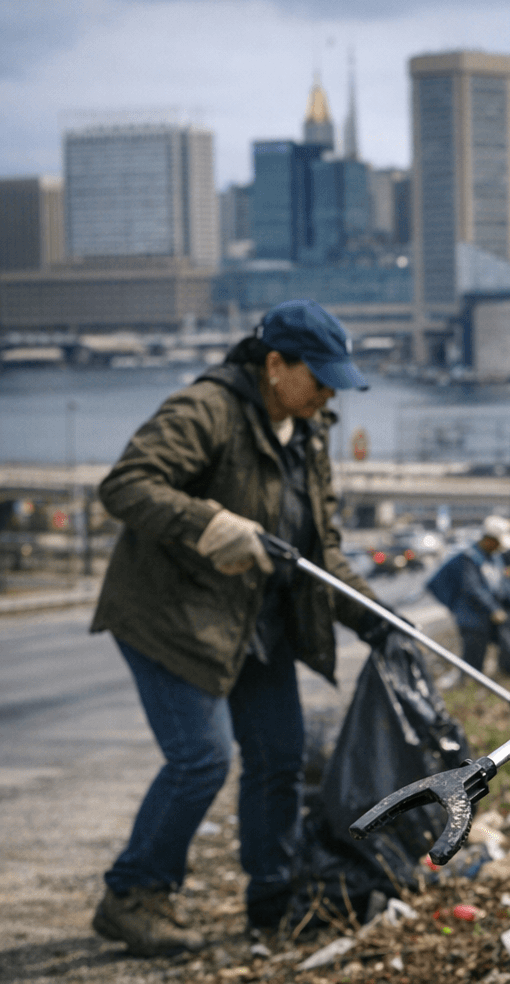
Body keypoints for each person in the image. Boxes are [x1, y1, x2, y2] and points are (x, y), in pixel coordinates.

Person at [90, 298, 386, 955]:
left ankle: (271, 899)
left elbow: (323, 551)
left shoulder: (310, 433)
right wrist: (211, 525)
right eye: (321, 377)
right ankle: (134, 895)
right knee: (201, 758)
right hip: (171, 615)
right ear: (275, 365)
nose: (331, 391)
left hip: (256, 623)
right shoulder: (207, 410)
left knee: (279, 758)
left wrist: (378, 621)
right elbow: (126, 485)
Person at [426, 516, 510, 681]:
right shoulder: (470, 558)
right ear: (489, 540)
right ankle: (467, 685)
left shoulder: (493, 557)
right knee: (472, 657)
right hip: (470, 618)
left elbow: (502, 583)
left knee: (486, 652)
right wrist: (494, 609)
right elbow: (473, 588)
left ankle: (477, 682)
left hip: (484, 616)